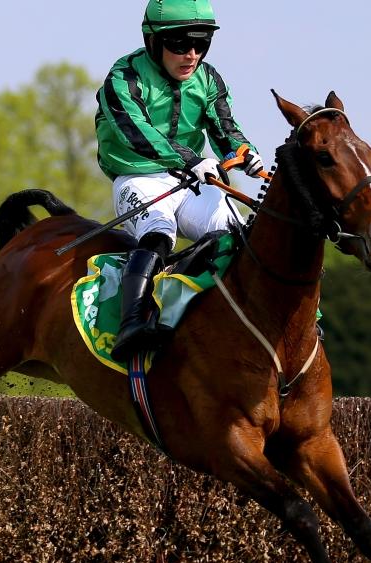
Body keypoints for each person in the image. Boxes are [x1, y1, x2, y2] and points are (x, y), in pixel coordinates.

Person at [96, 0, 264, 361]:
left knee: (239, 238)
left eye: (201, 44)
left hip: (191, 180)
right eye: (180, 45)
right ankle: (131, 324)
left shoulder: (209, 78)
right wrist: (191, 159)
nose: (191, 55)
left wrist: (245, 152)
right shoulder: (123, 77)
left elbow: (225, 129)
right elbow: (136, 133)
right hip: (138, 178)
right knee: (159, 234)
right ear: (154, 41)